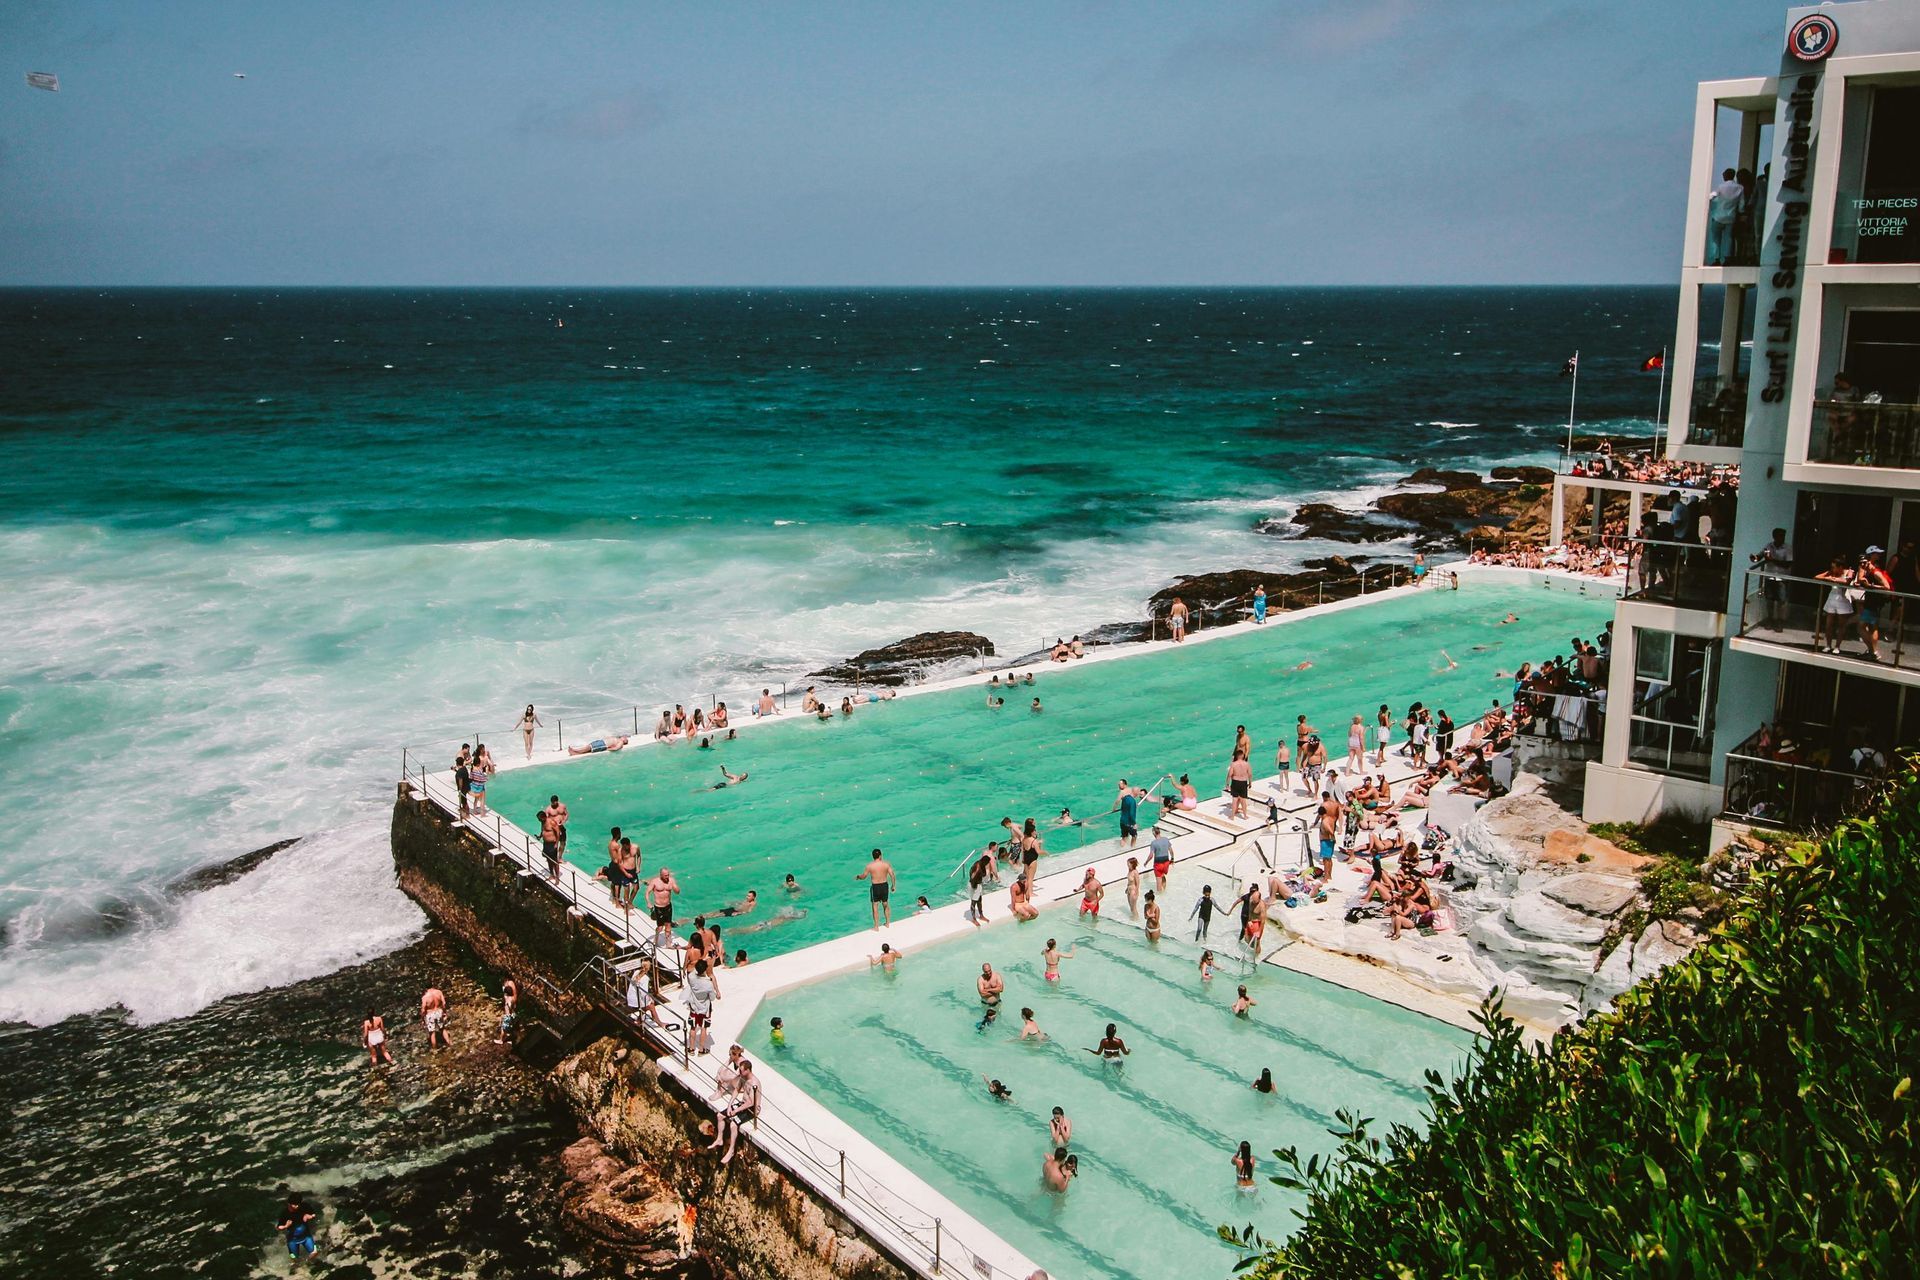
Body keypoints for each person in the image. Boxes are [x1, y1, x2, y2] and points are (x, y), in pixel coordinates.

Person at [1751, 527, 1794, 630]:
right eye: (1780, 536)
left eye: (1783, 536)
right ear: (1775, 537)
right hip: (1770, 577)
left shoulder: (1787, 548)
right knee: (1769, 600)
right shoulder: (1769, 546)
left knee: (1781, 601)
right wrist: (1755, 558)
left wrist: (1772, 560)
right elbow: (1760, 556)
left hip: (1781, 578)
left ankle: (1779, 622)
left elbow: (1788, 564)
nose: (1782, 538)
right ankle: (1770, 620)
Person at [1815, 556, 1857, 654]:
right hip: (1832, 599)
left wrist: (1833, 579)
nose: (1833, 569)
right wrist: (1828, 576)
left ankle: (1837, 646)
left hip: (1843, 600)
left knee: (1841, 626)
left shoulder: (1848, 572)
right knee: (1828, 625)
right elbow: (1817, 577)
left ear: (1840, 567)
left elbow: (1847, 581)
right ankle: (1828, 645)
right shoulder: (1831, 573)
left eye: (1834, 567)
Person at [1707, 166, 1744, 265]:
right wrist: (1741, 211)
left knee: (1715, 239)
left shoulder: (1721, 187)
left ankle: (1716, 259)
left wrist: (1708, 200)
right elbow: (1742, 204)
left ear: (1726, 175)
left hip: (1718, 216)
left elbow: (1712, 195)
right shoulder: (1740, 188)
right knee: (1729, 238)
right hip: (1731, 217)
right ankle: (1727, 258)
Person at [856, 848, 896, 929]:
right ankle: (887, 923)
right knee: (885, 904)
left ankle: (876, 926)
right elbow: (892, 874)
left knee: (875, 906)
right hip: (884, 885)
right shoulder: (886, 864)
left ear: (873, 856)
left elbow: (864, 876)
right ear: (880, 855)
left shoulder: (869, 866)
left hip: (875, 887)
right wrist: (893, 885)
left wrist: (858, 877)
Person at [685, 959, 718, 1055]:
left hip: (694, 1007)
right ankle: (701, 1050)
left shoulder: (691, 977)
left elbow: (694, 972)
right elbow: (712, 998)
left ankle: (691, 1049)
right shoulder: (708, 984)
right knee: (704, 1028)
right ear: (704, 970)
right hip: (705, 1009)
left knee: (693, 1027)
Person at [278, 1196, 319, 1262]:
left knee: (315, 1252)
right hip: (292, 1240)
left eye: (298, 1204)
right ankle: (299, 1267)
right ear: (289, 1204)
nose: (297, 1206)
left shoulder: (304, 1206)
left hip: (306, 1236)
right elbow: (279, 1227)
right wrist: (286, 1226)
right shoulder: (285, 1213)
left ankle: (307, 1263)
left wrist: (310, 1216)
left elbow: (314, 1214)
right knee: (294, 1259)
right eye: (295, 1205)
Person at [1227, 749, 1253, 820]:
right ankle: (1245, 816)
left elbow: (1229, 774)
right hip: (1243, 782)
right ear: (1242, 756)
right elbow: (1250, 774)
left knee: (1235, 799)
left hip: (1235, 782)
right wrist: (1250, 782)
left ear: (1237, 756)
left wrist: (1227, 784)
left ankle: (1232, 816)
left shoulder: (1233, 764)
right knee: (1243, 800)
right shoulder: (1246, 764)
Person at [1148, 826, 1174, 893]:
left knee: (1158, 882)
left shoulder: (1154, 843)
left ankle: (1160, 894)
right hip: (1166, 863)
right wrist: (1172, 858)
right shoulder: (1166, 839)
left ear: (1154, 833)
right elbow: (1171, 851)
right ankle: (1164, 890)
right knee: (1163, 875)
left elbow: (1151, 856)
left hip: (1158, 864)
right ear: (1159, 832)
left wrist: (1146, 862)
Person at [494, 978, 518, 1046]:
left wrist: (506, 1014)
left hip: (508, 1016)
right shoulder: (513, 998)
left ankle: (501, 1040)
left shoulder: (508, 1000)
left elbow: (508, 1006)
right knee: (511, 1027)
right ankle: (512, 1039)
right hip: (513, 1015)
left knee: (503, 1029)